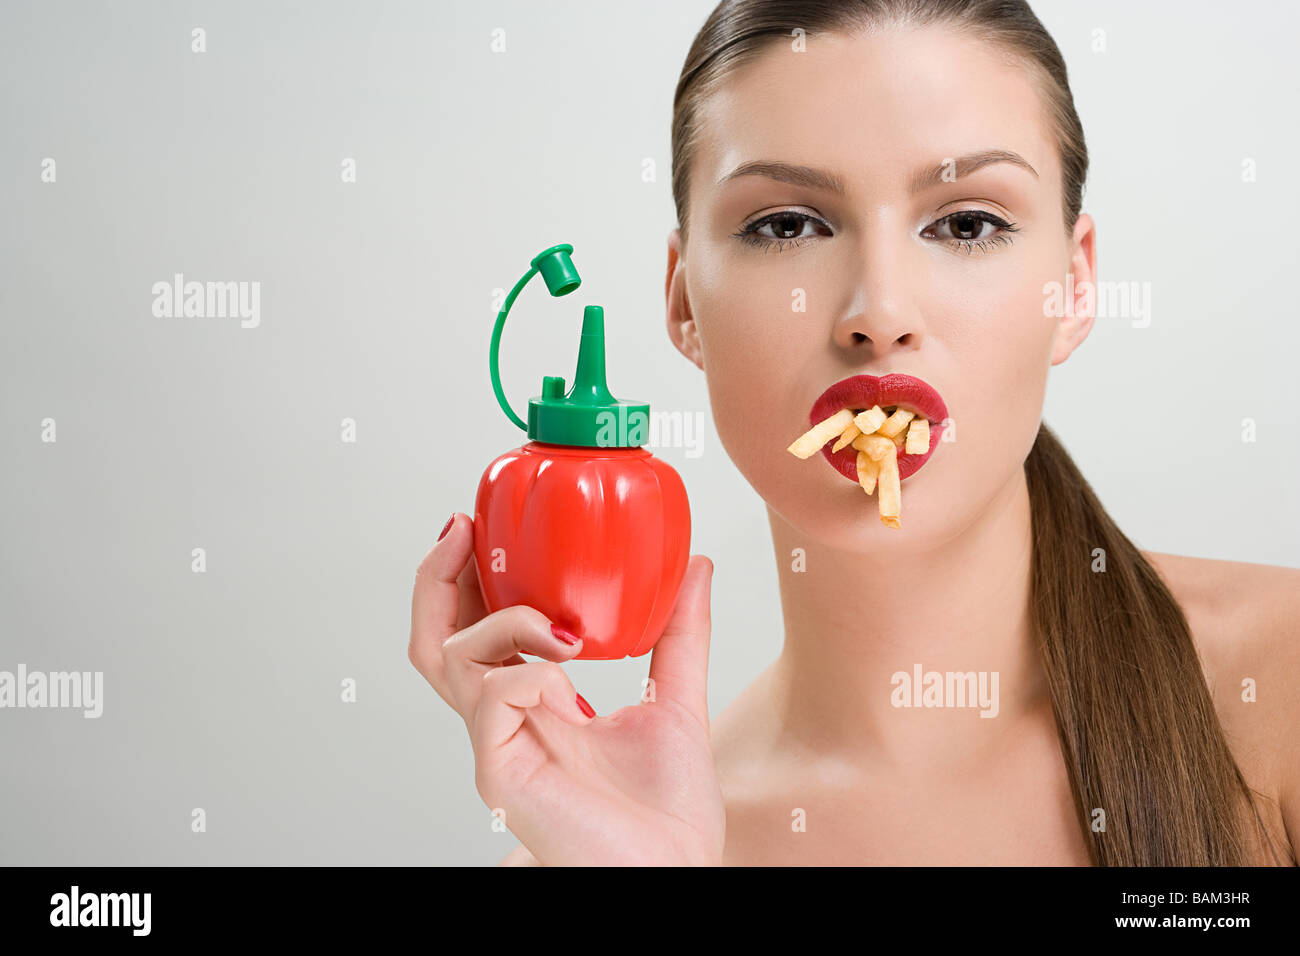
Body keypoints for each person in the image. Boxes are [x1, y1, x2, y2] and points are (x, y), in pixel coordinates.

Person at [409, 0, 1299, 866]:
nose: (878, 313)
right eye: (787, 225)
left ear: (1073, 286)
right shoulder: (610, 845)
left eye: (966, 223)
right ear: (683, 302)